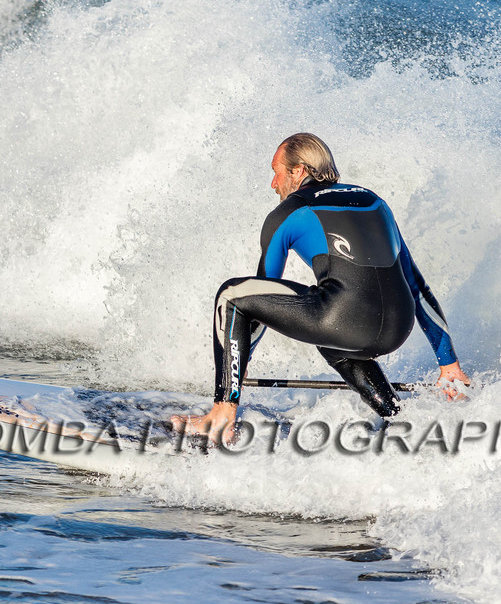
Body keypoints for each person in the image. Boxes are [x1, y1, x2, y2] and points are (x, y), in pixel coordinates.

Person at [174, 133, 470, 441]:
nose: (273, 184)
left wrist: (236, 364)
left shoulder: (287, 212)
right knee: (332, 337)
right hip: (398, 327)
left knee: (231, 295)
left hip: (343, 319)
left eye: (276, 172)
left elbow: (259, 296)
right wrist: (449, 364)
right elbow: (416, 286)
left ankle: (221, 415)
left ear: (298, 171)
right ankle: (398, 417)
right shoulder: (375, 201)